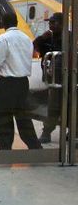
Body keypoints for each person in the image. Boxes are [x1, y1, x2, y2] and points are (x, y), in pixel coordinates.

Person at [0, 12, 42, 150]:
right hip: (23, 83)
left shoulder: (3, 39)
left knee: (3, 118)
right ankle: (35, 147)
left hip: (7, 84)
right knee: (24, 118)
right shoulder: (26, 39)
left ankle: (5, 149)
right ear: (16, 22)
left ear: (3, 24)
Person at [33, 12, 63, 143]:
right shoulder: (47, 38)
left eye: (53, 22)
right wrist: (42, 37)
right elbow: (35, 45)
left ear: (62, 24)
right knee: (53, 106)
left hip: (65, 78)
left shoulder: (68, 37)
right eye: (50, 22)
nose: (50, 25)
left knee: (65, 105)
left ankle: (73, 132)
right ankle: (47, 132)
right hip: (53, 79)